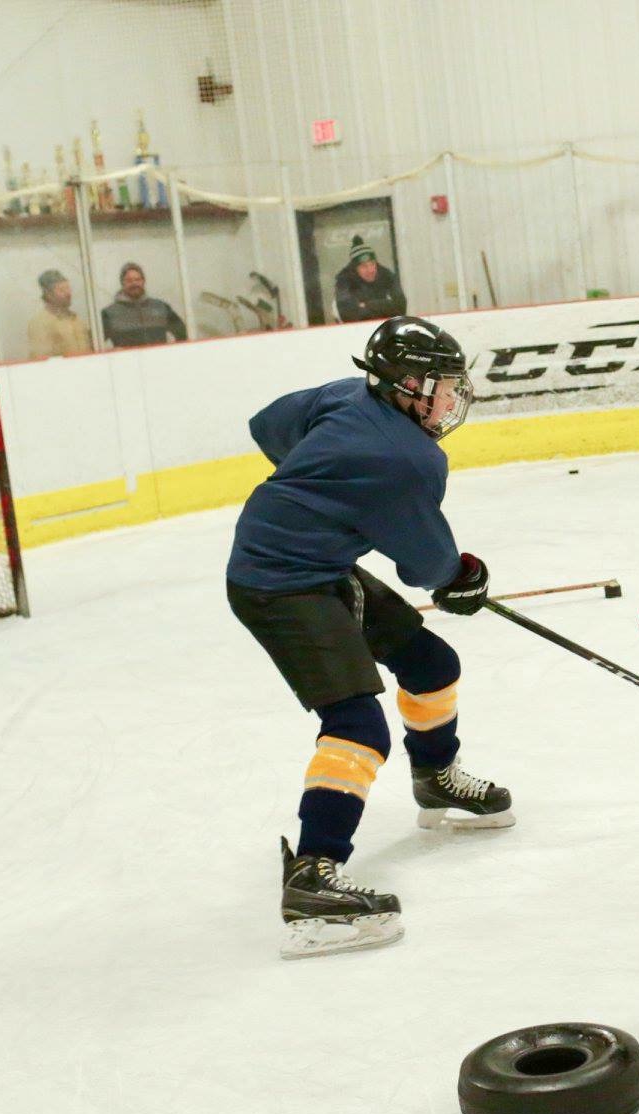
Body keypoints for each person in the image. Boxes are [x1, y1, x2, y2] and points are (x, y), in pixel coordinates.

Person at [226, 316, 510, 958]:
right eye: (441, 387)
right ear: (406, 386)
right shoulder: (406, 459)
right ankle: (315, 877)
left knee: (431, 662)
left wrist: (323, 500)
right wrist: (461, 577)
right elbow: (429, 569)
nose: (451, 400)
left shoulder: (348, 394)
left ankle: (435, 775)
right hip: (278, 584)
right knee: (358, 726)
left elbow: (269, 424)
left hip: (316, 564)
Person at [100, 262, 188, 348]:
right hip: (127, 362)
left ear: (143, 281)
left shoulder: (161, 307)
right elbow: (95, 343)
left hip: (159, 360)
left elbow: (183, 334)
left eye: (137, 280)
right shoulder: (109, 313)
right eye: (129, 280)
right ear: (122, 283)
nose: (134, 284)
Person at [334, 235, 407, 322]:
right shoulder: (344, 280)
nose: (370, 270)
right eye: (364, 266)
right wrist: (385, 305)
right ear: (354, 269)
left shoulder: (386, 275)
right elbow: (348, 314)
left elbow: (401, 307)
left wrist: (367, 305)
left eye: (372, 264)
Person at [26, 269, 90, 358]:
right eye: (62, 290)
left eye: (68, 288)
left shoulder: (76, 319)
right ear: (48, 294)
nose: (68, 293)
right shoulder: (40, 323)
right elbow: (41, 360)